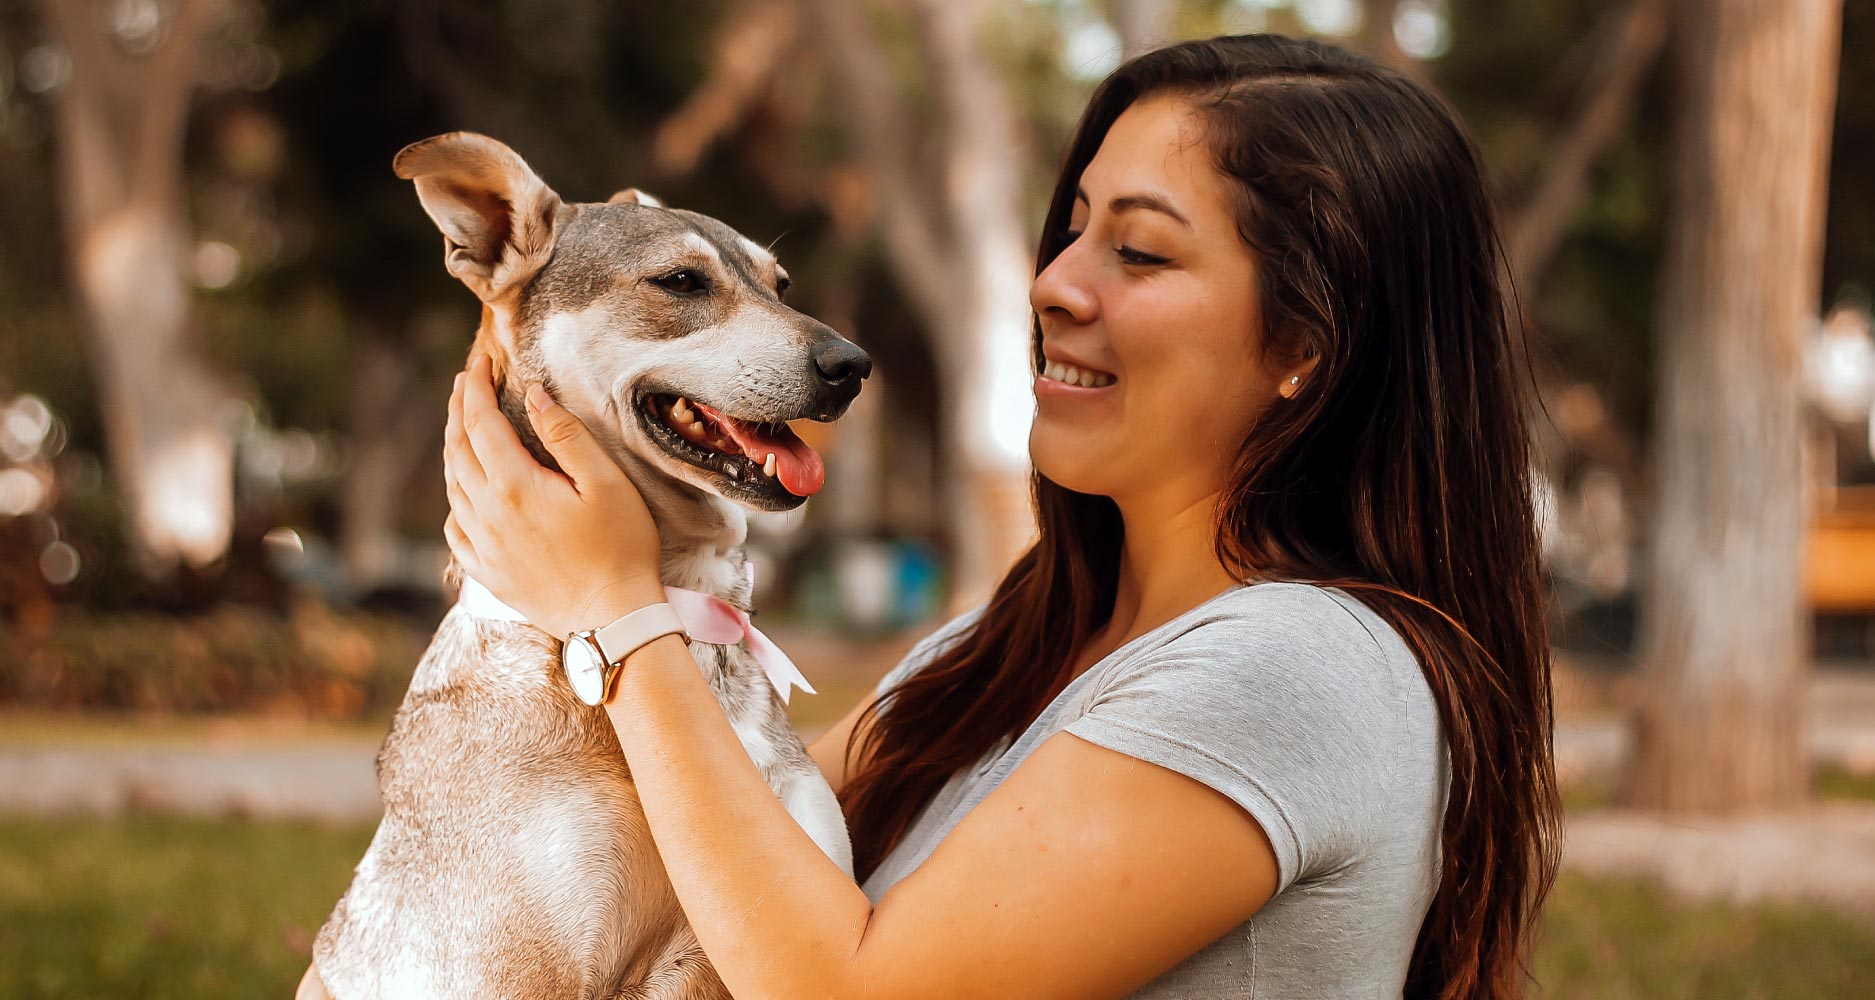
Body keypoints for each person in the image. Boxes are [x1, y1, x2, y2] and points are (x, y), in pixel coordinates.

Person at [439, 33, 1561, 1000]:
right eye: (1072, 231)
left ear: (1306, 348)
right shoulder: (1000, 647)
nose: (1055, 283)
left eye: (1140, 249)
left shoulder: (1299, 668)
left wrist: (617, 609)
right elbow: (699, 857)